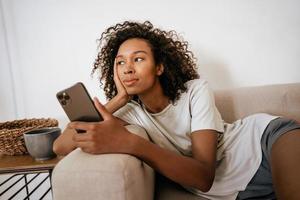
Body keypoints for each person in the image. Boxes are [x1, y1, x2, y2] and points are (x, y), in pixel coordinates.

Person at [53, 21, 300, 200]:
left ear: (159, 67)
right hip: (239, 189)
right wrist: (118, 100)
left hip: (266, 140)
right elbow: (61, 146)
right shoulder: (129, 112)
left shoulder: (195, 91)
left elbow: (203, 176)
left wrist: (131, 143)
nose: (127, 68)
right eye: (120, 62)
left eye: (138, 59)